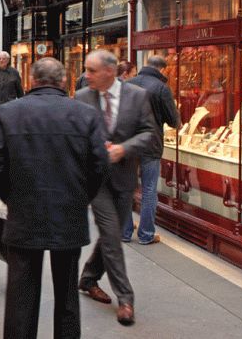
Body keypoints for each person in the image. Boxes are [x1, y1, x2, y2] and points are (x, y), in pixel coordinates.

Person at [0, 57, 110, 339]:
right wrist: (80, 197)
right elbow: (99, 166)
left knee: (20, 292)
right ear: (64, 81)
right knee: (67, 292)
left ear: (31, 80)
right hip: (69, 213)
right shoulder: (85, 114)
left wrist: (12, 196)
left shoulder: (8, 113)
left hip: (24, 213)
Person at [75, 50, 157, 327]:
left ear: (110, 71)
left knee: (111, 235)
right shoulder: (83, 96)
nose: (86, 75)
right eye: (86, 69)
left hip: (124, 179)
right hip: (96, 181)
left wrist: (125, 148)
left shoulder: (137, 96)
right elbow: (77, 135)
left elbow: (150, 133)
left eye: (92, 70)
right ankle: (126, 298)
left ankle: (87, 278)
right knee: (112, 235)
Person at [124, 54, 180, 245]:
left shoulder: (127, 84)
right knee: (148, 189)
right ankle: (146, 234)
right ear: (162, 70)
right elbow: (174, 121)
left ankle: (125, 232)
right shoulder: (162, 88)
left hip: (129, 144)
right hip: (150, 144)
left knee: (127, 188)